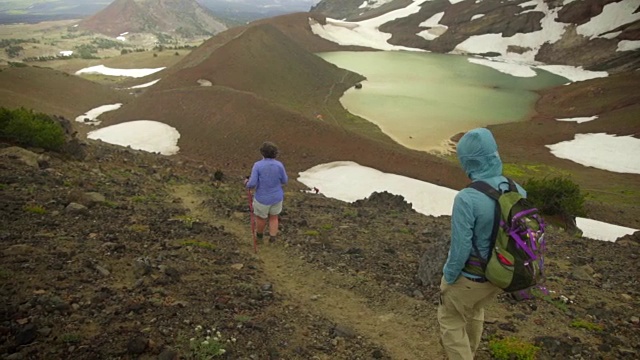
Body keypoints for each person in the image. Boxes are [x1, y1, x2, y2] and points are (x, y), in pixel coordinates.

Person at [438, 128, 526, 360]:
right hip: (500, 275)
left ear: (468, 161)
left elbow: (460, 248)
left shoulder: (467, 198)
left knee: (450, 319)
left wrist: (448, 278)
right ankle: (471, 352)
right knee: (475, 309)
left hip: (471, 277)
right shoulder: (517, 189)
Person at [244, 141, 288, 243]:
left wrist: (246, 183)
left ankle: (259, 237)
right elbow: (284, 180)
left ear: (262, 152)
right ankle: (273, 238)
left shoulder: (258, 165)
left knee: (261, 218)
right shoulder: (279, 165)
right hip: (277, 197)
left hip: (262, 198)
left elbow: (252, 183)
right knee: (274, 217)